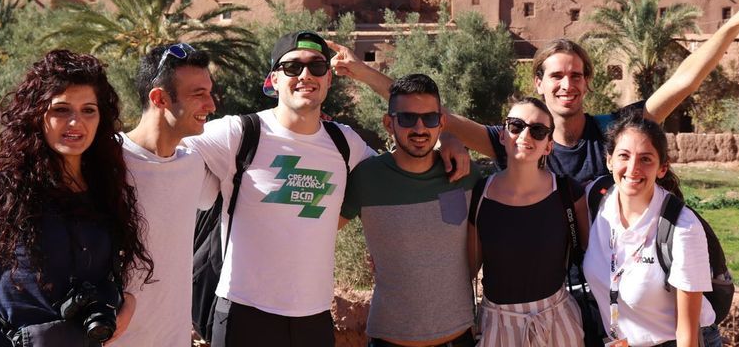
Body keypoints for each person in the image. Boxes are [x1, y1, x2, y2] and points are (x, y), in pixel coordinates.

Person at [333, 0, 739, 186]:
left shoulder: (614, 132)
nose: (568, 85)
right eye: (558, 76)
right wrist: (361, 71)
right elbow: (434, 115)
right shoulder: (514, 143)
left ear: (588, 83)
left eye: (577, 76)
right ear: (539, 83)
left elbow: (681, 82)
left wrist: (732, 25)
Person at [185, 31, 470, 347]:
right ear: (274, 80)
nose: (306, 74)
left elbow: (407, 134)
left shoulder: (345, 143)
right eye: (293, 67)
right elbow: (160, 148)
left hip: (314, 319)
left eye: (317, 67)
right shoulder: (237, 134)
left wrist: (446, 137)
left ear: (329, 79)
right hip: (244, 313)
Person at [0, 50, 152, 346]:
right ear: (37, 115)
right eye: (61, 110)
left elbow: (105, 276)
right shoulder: (4, 190)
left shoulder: (107, 192)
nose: (76, 123)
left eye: (88, 110)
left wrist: (126, 305)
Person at [340, 74, 480, 347]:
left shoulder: (464, 172)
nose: (419, 128)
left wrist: (452, 138)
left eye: (429, 119)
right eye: (407, 119)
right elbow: (319, 231)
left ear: (441, 122)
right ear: (388, 123)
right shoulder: (366, 177)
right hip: (389, 339)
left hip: (459, 337)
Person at [112, 43, 220, 346]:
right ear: (159, 98)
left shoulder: (194, 164)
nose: (211, 105)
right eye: (198, 94)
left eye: (210, 93)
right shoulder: (107, 160)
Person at [582, 114, 721, 347]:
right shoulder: (597, 200)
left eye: (645, 159)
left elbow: (687, 335)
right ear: (609, 161)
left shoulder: (681, 227)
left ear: (662, 168)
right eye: (624, 156)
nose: (633, 168)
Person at [468, 97, 589, 346]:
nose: (525, 135)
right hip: (499, 326)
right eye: (516, 126)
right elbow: (467, 270)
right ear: (502, 135)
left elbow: (591, 253)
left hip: (557, 322)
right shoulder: (479, 195)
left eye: (537, 131)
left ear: (548, 145)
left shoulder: (568, 193)